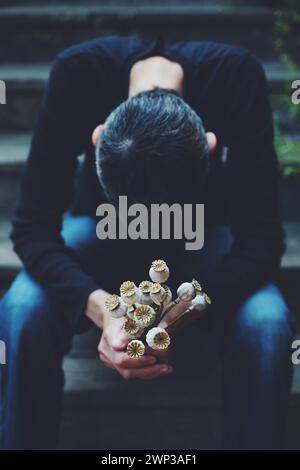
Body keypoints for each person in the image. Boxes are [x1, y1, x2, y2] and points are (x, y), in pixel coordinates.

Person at [0, 36, 295, 450]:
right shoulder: (76, 73)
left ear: (210, 148)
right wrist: (99, 306)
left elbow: (262, 239)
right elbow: (32, 228)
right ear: (99, 138)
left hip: (200, 238)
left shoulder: (236, 76)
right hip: (102, 232)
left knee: (267, 323)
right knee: (21, 308)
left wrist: (183, 313)